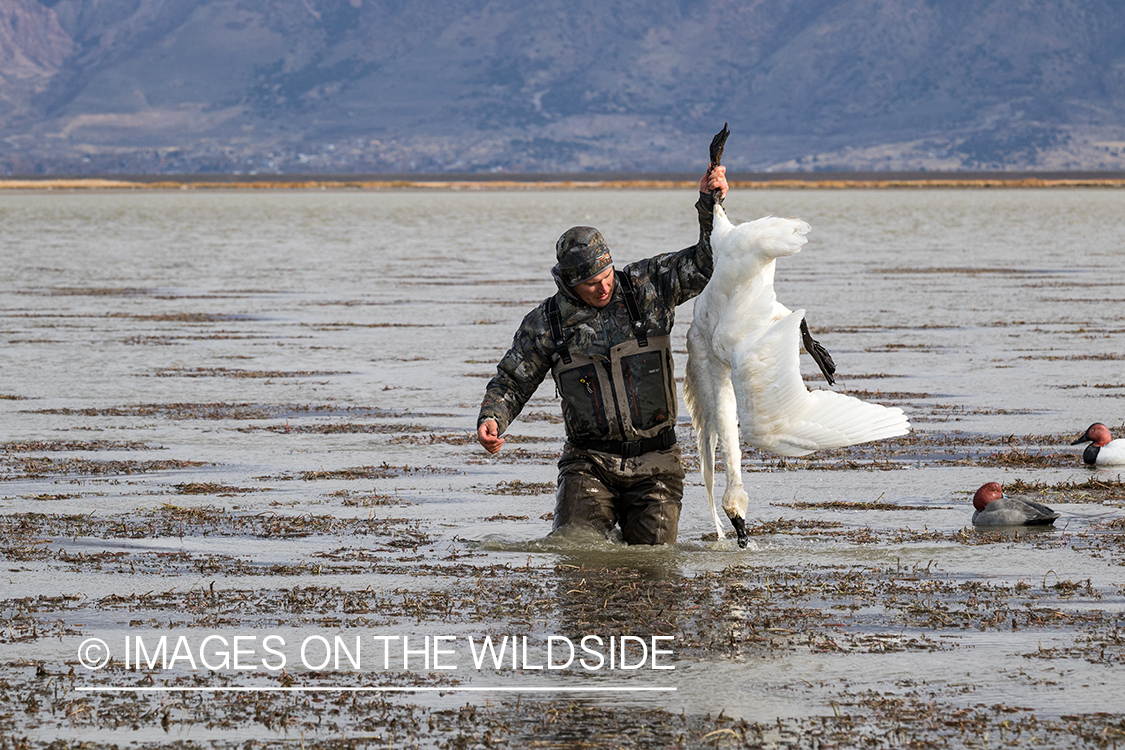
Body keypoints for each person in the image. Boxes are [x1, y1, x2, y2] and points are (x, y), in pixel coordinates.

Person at [476, 166, 729, 545]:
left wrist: (710, 204)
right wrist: (493, 417)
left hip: (657, 464)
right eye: (592, 283)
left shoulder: (648, 288)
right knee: (574, 553)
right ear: (569, 282)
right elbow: (513, 379)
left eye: (607, 274)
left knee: (654, 574)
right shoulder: (547, 322)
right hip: (588, 464)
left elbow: (708, 262)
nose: (603, 286)